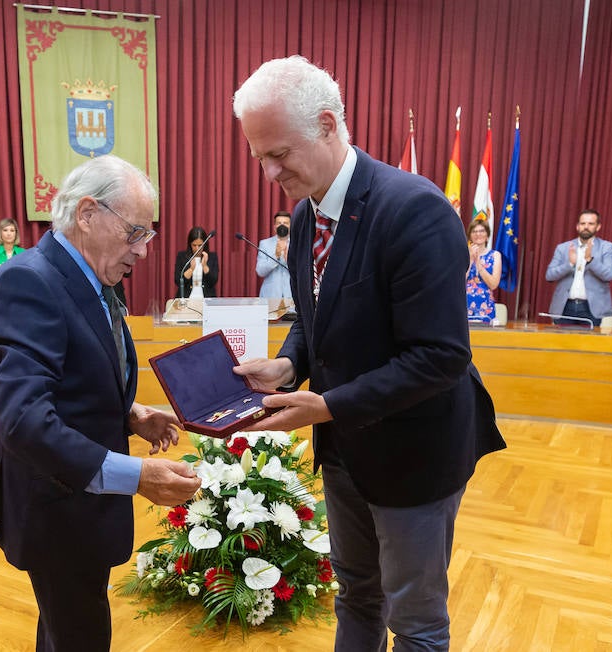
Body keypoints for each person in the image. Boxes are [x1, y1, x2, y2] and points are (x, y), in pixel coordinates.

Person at [230, 56, 505, 651]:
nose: (269, 171)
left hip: (414, 452)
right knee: (356, 595)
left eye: (278, 153)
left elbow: (440, 356)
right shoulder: (305, 215)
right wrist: (288, 362)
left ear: (328, 125)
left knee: (415, 622)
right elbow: (315, 314)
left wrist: (326, 405)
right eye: (259, 158)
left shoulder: (415, 210)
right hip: (346, 450)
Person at [0, 155, 200, 651]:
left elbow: (71, 375)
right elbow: (23, 419)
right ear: (86, 214)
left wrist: (130, 413)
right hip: (56, 508)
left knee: (63, 631)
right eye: (135, 233)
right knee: (80, 636)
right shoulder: (29, 282)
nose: (143, 252)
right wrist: (137, 476)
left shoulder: (86, 278)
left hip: (77, 505)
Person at [545, 209, 612, 327]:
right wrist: (569, 264)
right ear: (577, 227)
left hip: (592, 308)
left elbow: (609, 275)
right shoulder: (563, 248)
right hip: (565, 306)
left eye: (591, 224)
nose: (586, 227)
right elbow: (549, 275)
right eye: (583, 224)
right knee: (561, 344)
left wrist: (590, 260)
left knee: (589, 345)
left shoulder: (607, 248)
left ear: (598, 227)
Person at [465, 220, 501, 323]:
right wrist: (471, 260)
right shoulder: (463, 254)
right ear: (470, 235)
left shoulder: (495, 255)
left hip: (486, 307)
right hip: (464, 305)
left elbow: (493, 284)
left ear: (487, 235)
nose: (478, 234)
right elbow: (457, 282)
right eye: (474, 231)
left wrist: (478, 264)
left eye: (481, 231)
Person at [173, 226, 220, 298]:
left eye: (200, 245)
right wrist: (191, 269)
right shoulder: (182, 256)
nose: (197, 248)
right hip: (186, 299)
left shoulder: (212, 257)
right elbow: (178, 281)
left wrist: (204, 266)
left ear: (204, 244)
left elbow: (213, 282)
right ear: (190, 244)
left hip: (206, 298)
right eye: (194, 245)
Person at [256, 210, 292, 299]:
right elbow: (260, 271)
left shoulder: (297, 244)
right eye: (279, 223)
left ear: (290, 226)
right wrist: (276, 256)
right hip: (270, 296)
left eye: (285, 223)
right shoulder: (265, 244)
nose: (282, 225)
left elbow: (301, 271)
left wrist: (289, 259)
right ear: (274, 227)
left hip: (292, 295)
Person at [0, 218, 26, 285]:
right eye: (5, 230)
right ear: (0, 233)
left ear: (16, 233)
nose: (9, 234)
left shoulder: (23, 253)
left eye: (12, 230)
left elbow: (26, 276)